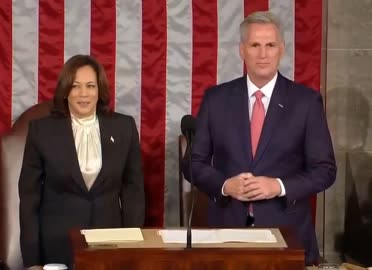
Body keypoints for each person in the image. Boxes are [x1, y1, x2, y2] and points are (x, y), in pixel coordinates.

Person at [182, 11, 336, 265]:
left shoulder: (306, 102)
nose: (263, 54)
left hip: (287, 234)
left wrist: (278, 186)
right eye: (255, 45)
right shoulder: (216, 99)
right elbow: (193, 164)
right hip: (227, 233)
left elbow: (325, 170)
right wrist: (225, 185)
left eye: (270, 45)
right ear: (242, 50)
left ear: (281, 50)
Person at [19, 55, 145, 269]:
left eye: (90, 86)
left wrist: (131, 248)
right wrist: (32, 262)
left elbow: (133, 192)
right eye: (75, 86)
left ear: (100, 90)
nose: (83, 94)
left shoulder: (124, 127)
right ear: (65, 91)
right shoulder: (41, 131)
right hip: (57, 246)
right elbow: (29, 200)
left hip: (111, 246)